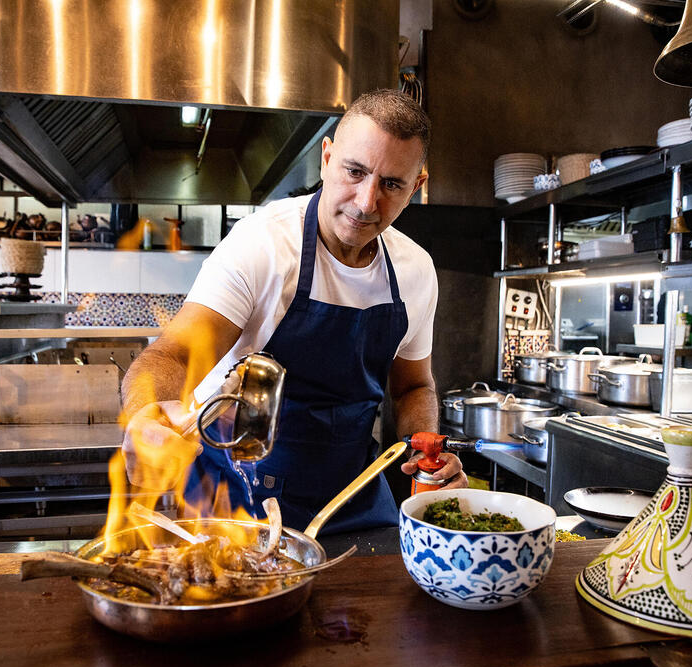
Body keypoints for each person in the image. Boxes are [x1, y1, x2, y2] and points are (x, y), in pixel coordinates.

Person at [121, 88, 466, 534]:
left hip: (352, 496)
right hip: (237, 496)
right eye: (354, 171)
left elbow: (414, 387)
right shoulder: (261, 245)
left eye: (391, 184)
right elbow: (173, 356)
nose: (365, 202)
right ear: (326, 158)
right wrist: (146, 415)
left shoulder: (415, 270)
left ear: (415, 187)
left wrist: (424, 454)